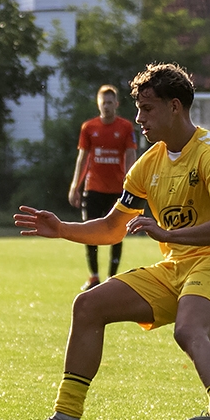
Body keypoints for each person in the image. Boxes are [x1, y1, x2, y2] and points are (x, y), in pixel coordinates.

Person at [12, 62, 210, 420]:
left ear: (176, 107)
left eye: (148, 109)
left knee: (189, 330)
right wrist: (62, 230)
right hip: (175, 266)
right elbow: (112, 227)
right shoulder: (148, 164)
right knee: (88, 305)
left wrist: (169, 232)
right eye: (137, 108)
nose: (138, 118)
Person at [67, 85, 137, 290]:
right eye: (103, 102)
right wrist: (75, 185)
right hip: (94, 188)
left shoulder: (125, 128)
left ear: (116, 104)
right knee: (90, 232)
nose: (106, 106)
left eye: (110, 102)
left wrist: (130, 181)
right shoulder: (89, 128)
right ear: (98, 104)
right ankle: (94, 276)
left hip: (117, 190)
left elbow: (131, 154)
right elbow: (83, 157)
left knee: (116, 233)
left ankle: (112, 278)